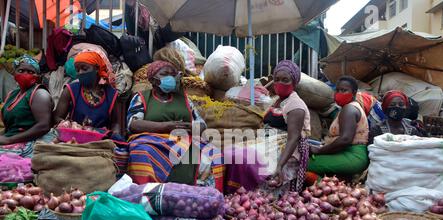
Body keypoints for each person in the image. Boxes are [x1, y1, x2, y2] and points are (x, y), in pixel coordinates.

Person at [127, 61, 223, 190]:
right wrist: (165, 127)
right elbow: (133, 124)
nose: (170, 78)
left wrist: (191, 127)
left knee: (215, 155)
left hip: (185, 139)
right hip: (153, 141)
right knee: (142, 152)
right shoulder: (142, 98)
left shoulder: (185, 99)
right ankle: (148, 193)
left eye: (172, 74)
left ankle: (205, 196)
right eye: (165, 74)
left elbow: (201, 124)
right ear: (153, 79)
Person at [225, 60, 310, 194]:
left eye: (285, 80)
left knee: (243, 157)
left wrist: (280, 165)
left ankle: (254, 194)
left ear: (294, 82)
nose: (280, 83)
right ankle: (238, 194)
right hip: (268, 142)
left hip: (284, 149)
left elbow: (293, 139)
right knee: (231, 152)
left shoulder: (295, 105)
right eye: (277, 79)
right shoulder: (276, 101)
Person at [308, 76, 369, 177]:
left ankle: (320, 188)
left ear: (353, 92)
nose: (339, 93)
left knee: (304, 164)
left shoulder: (349, 109)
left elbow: (345, 139)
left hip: (353, 156)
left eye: (344, 90)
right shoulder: (348, 108)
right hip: (346, 152)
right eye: (337, 90)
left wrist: (319, 150)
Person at [54, 51, 122, 134]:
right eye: (77, 70)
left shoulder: (111, 94)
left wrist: (115, 136)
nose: (80, 72)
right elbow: (57, 117)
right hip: (74, 138)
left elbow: (116, 123)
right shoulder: (70, 90)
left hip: (100, 140)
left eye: (84, 69)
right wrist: (68, 125)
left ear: (97, 68)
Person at [0, 55, 54, 158]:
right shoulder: (13, 94)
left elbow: (44, 126)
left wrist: (9, 139)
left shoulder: (39, 94)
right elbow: (12, 127)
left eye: (31, 72)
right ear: (14, 73)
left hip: (30, 142)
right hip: (13, 138)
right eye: (21, 71)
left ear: (38, 76)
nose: (25, 74)